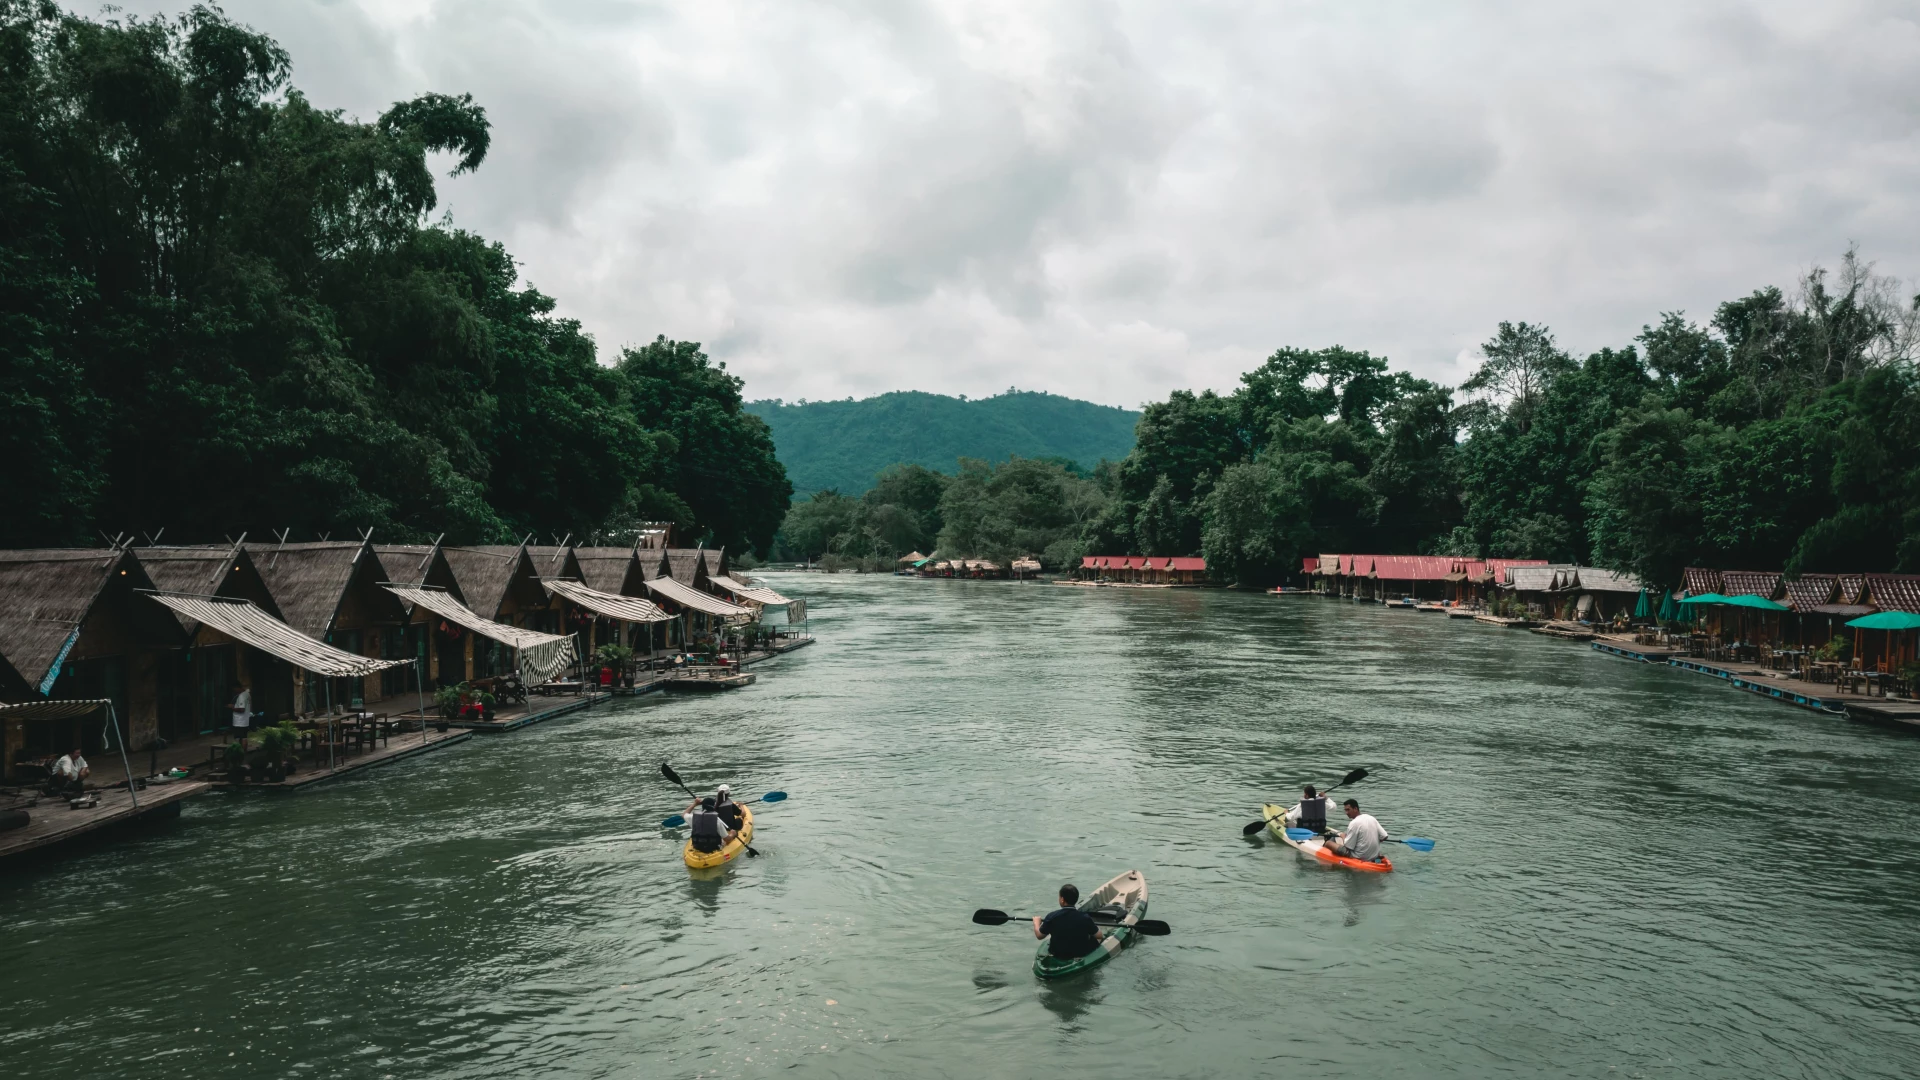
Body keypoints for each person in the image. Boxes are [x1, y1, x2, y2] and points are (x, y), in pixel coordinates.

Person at [1033, 883, 1104, 960]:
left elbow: (1039, 936)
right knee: (1096, 938)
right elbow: (1099, 936)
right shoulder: (1085, 918)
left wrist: (1036, 923)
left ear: (1062, 900)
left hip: (1056, 953)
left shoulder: (1051, 916)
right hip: (1080, 952)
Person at [1326, 798, 1389, 862]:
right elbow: (1385, 836)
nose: (1346, 813)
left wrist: (1343, 836)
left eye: (1348, 810)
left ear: (1355, 809)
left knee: (1328, 843)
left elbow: (1348, 846)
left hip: (1358, 856)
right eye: (1345, 810)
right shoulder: (1371, 818)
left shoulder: (1354, 823)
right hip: (1374, 856)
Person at [230, 681, 252, 749]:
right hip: (245, 720)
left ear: (237, 688)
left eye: (234, 689)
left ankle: (239, 754)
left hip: (239, 721)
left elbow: (242, 709)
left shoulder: (241, 696)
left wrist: (232, 707)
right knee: (244, 737)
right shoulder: (247, 694)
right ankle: (244, 754)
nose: (234, 691)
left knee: (238, 738)